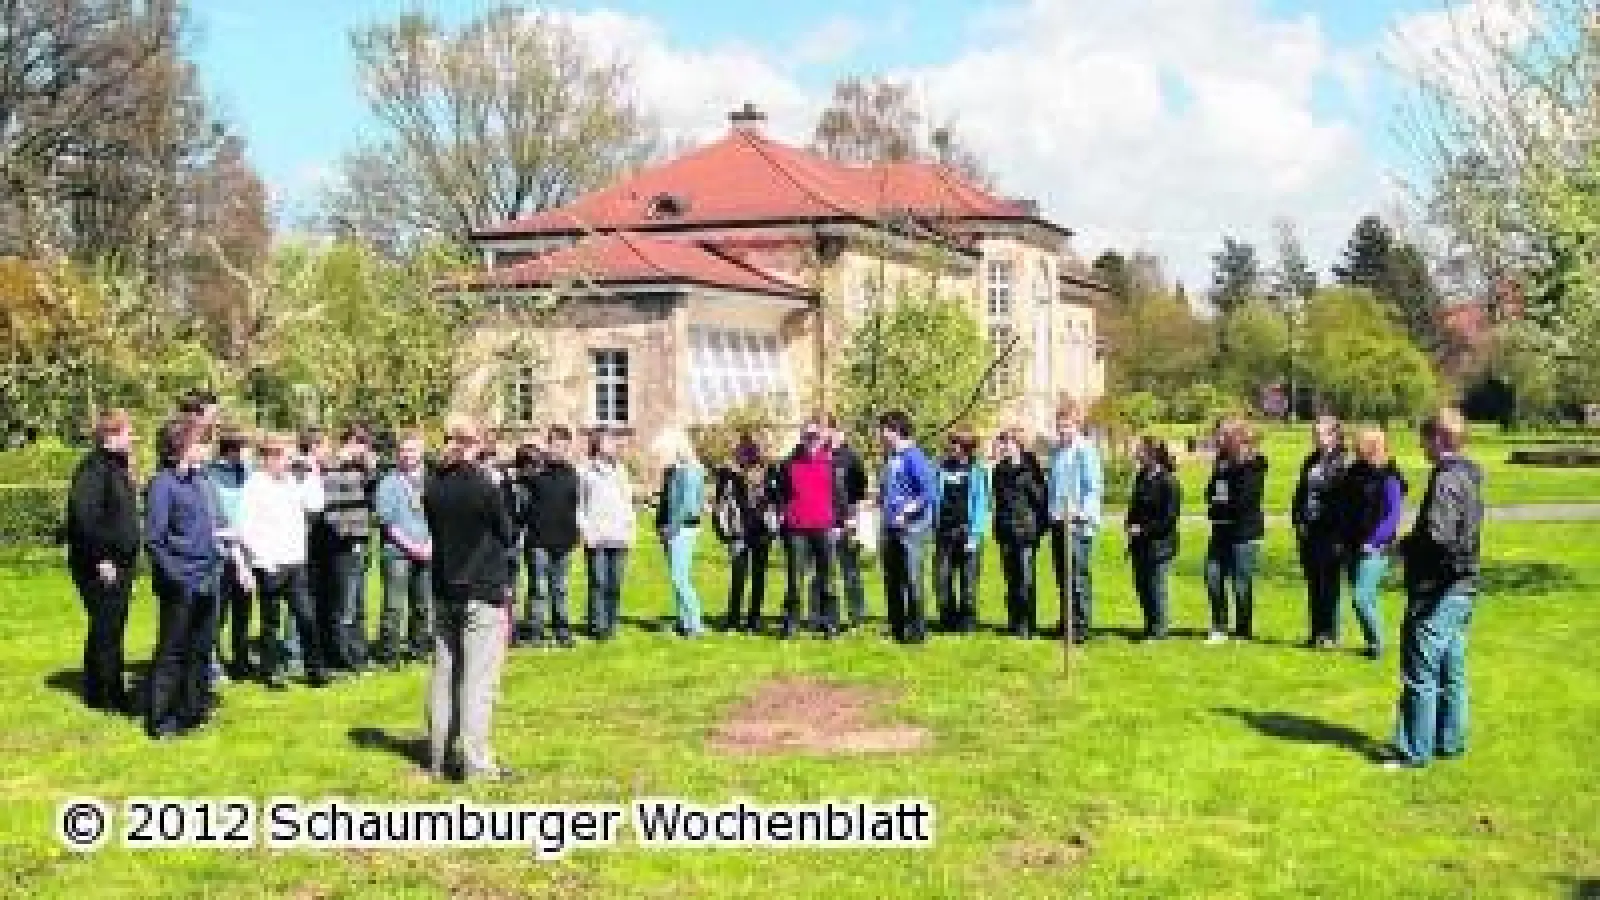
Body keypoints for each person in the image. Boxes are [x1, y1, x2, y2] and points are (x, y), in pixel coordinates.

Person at [1385, 409, 1483, 770]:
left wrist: (1408, 550)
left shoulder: (1446, 479)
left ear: (1438, 439)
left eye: (1424, 439)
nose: (1421, 446)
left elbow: (1439, 537)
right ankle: (1450, 741)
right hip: (1463, 584)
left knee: (1420, 672)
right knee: (1451, 668)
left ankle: (1414, 751)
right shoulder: (1469, 474)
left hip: (1439, 589)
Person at [423, 417, 517, 783]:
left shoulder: (433, 485)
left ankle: (439, 757)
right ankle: (477, 763)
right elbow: (507, 533)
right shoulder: (483, 485)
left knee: (444, 676)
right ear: (472, 443)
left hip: (444, 585)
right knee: (478, 681)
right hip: (481, 588)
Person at [144, 418, 226, 739]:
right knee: (173, 651)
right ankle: (161, 720)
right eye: (197, 443)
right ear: (180, 447)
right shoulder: (163, 485)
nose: (203, 448)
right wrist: (178, 578)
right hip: (182, 583)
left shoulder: (196, 481)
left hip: (207, 576)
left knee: (200, 649)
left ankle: (193, 710)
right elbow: (154, 540)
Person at [235, 433, 330, 688]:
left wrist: (312, 474)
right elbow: (245, 528)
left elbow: (316, 505)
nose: (291, 462)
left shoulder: (292, 481)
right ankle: (271, 671)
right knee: (271, 622)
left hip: (295, 562)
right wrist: (262, 559)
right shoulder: (255, 485)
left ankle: (315, 670)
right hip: (270, 564)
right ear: (271, 458)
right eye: (287, 457)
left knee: (307, 617)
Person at [64, 409, 141, 713]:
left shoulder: (117, 467)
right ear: (110, 435)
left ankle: (110, 689)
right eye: (127, 432)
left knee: (111, 628)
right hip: (101, 565)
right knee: (106, 629)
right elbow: (83, 518)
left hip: (120, 563)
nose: (132, 438)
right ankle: (104, 696)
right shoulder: (93, 469)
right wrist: (101, 558)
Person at [1341, 427, 1408, 660]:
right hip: (1351, 543)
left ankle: (1377, 644)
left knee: (1360, 597)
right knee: (1366, 597)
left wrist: (1373, 541)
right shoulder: (1354, 473)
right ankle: (1372, 642)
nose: (1355, 448)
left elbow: (1392, 516)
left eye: (1359, 444)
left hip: (1375, 548)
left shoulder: (1390, 477)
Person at [773, 418, 840, 639]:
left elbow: (838, 495)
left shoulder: (831, 463)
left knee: (827, 579)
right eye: (808, 436)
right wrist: (782, 515)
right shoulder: (788, 464)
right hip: (796, 528)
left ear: (822, 439)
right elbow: (780, 494)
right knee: (795, 579)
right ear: (802, 438)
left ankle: (828, 623)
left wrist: (842, 522)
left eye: (815, 437)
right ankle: (791, 623)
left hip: (823, 526)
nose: (812, 441)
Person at [1203, 418, 1269, 643]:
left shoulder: (1254, 463)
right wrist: (1217, 503)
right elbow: (1210, 491)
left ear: (1236, 438)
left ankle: (1243, 629)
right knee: (1212, 576)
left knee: (1241, 584)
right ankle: (1219, 626)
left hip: (1244, 533)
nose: (1218, 438)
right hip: (1220, 530)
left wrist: (1221, 504)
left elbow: (1246, 499)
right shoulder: (1221, 461)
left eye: (1222, 435)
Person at [878, 410, 939, 644]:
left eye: (884, 430)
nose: (881, 435)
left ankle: (917, 632)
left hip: (911, 529)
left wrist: (907, 511)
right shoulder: (891, 457)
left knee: (912, 579)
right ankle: (897, 630)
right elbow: (890, 490)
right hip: (890, 527)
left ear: (895, 430)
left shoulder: (915, 457)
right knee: (892, 579)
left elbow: (929, 493)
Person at [374, 430, 434, 667]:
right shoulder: (388, 482)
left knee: (423, 604)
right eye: (404, 450)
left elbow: (439, 515)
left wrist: (430, 544)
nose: (408, 455)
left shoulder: (431, 481)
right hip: (397, 553)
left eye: (412, 450)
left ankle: (419, 649)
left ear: (421, 452)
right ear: (397, 453)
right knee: (394, 605)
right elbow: (387, 523)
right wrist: (412, 547)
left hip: (427, 549)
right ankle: (389, 654)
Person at [519, 426, 581, 649]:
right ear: (548, 445)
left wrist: (574, 534)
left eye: (562, 446)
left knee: (560, 589)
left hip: (563, 540)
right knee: (538, 589)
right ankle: (535, 632)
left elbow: (574, 505)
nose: (558, 449)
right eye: (554, 444)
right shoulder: (534, 471)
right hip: (538, 540)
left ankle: (561, 631)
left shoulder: (572, 473)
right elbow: (522, 497)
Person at [1048, 401, 1104, 644]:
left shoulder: (1085, 451)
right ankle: (1066, 621)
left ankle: (1080, 625)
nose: (1062, 431)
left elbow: (1093, 487)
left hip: (1078, 524)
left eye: (1066, 426)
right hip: (1059, 520)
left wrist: (1082, 513)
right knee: (1062, 575)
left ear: (1076, 425)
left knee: (1077, 576)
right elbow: (1054, 486)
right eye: (1059, 426)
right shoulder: (1058, 452)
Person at [1293, 416, 1351, 649]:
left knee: (1329, 584)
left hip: (1330, 532)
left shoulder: (1343, 463)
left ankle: (1330, 634)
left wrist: (1340, 535)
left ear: (1335, 435)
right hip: (1309, 530)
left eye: (1322, 433)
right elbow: (1301, 492)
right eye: (1315, 433)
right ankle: (1316, 632)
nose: (1317, 437)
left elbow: (1343, 501)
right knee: (1314, 583)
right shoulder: (1311, 460)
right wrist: (1298, 519)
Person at [321, 426, 376, 674]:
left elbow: (372, 496)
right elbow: (330, 509)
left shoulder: (361, 470)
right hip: (343, 546)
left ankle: (358, 654)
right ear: (347, 444)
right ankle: (342, 658)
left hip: (361, 542)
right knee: (345, 605)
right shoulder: (333, 469)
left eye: (365, 444)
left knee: (359, 603)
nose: (362, 448)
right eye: (358, 443)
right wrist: (348, 535)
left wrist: (369, 468)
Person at [713, 435, 779, 634]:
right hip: (739, 532)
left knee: (756, 577)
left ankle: (752, 619)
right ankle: (736, 619)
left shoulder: (768, 474)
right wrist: (722, 529)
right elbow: (720, 503)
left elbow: (775, 500)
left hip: (760, 531)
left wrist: (773, 525)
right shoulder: (728, 475)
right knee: (740, 576)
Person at [577, 428, 635, 640]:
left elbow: (627, 504)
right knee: (598, 582)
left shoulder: (621, 471)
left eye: (612, 441)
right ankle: (597, 626)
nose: (612, 444)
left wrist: (630, 531)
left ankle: (611, 625)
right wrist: (587, 532)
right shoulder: (585, 471)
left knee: (615, 584)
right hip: (597, 536)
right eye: (607, 441)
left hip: (619, 535)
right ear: (597, 444)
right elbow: (579, 506)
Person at [206, 426, 253, 680]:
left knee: (243, 609)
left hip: (245, 550)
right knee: (218, 611)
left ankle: (241, 659)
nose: (248, 454)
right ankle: (212, 662)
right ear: (233, 450)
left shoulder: (246, 473)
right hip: (221, 550)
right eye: (244, 449)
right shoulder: (211, 475)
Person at [991, 428, 1048, 639]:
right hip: (1006, 530)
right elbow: (998, 501)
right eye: (1003, 442)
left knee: (1025, 579)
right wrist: (998, 526)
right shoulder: (999, 470)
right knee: (1011, 579)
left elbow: (1040, 500)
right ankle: (1014, 622)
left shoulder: (1031, 469)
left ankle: (1027, 625)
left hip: (1026, 531)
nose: (1004, 446)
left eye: (1007, 442)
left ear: (1018, 444)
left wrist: (1038, 529)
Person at [933, 427, 990, 634]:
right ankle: (948, 620)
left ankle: (968, 621)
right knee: (942, 579)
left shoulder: (977, 471)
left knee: (968, 581)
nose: (951, 447)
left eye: (955, 444)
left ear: (966, 447)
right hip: (944, 532)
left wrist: (975, 534)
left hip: (967, 532)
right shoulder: (941, 468)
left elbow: (981, 504)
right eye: (951, 443)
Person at [1126, 436, 1181, 641]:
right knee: (1142, 587)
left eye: (1140, 450)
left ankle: (1159, 631)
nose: (1136, 454)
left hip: (1160, 546)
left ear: (1152, 454)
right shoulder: (1141, 476)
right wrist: (1129, 523)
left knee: (1156, 587)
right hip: (1139, 544)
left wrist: (1143, 530)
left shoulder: (1169, 482)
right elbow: (1135, 505)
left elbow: (1169, 519)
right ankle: (1149, 626)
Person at [656, 431, 707, 638]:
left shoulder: (690, 471)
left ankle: (695, 624)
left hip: (682, 528)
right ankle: (683, 623)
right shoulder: (675, 470)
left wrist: (671, 528)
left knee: (680, 578)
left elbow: (687, 506)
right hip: (673, 527)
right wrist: (661, 525)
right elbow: (667, 501)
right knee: (678, 577)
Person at [824, 415, 870, 630]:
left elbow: (860, 493)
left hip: (846, 522)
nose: (825, 436)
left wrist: (854, 519)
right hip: (823, 522)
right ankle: (826, 617)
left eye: (828, 431)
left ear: (837, 432)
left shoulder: (851, 459)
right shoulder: (820, 457)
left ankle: (857, 616)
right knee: (824, 572)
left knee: (850, 570)